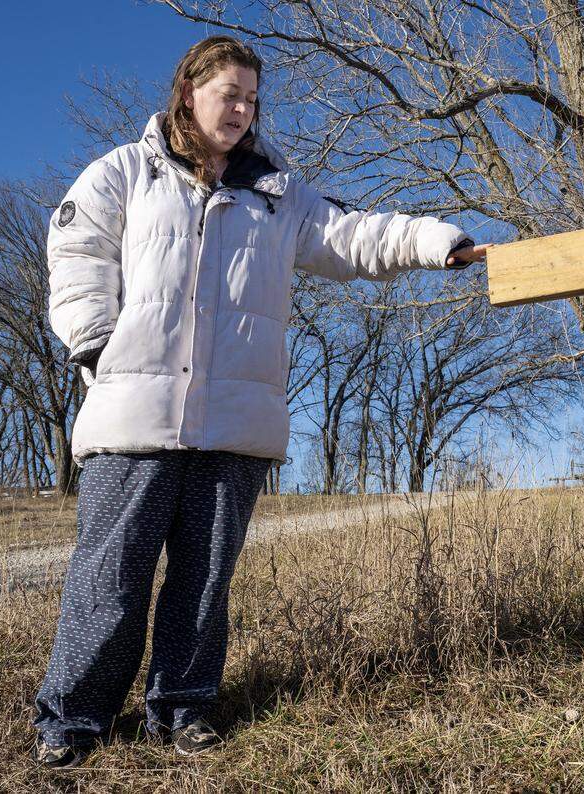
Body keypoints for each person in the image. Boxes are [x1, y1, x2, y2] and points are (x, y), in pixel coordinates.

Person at [32, 35, 491, 769]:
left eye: (252, 98)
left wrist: (442, 242)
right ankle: (75, 718)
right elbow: (76, 253)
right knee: (110, 573)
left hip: (236, 420)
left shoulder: (278, 193)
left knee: (205, 577)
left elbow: (356, 235)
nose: (243, 109)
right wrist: (95, 346)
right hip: (133, 414)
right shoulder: (125, 171)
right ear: (189, 91)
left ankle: (182, 708)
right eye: (229, 94)